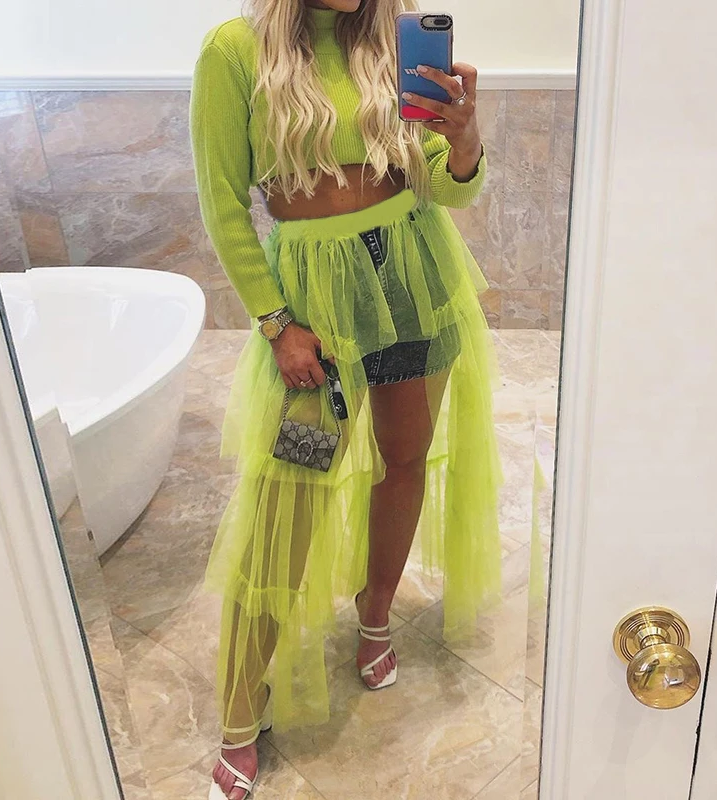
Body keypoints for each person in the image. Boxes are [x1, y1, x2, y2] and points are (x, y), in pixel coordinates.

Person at [190, 1, 504, 796]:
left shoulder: (394, 39)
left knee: (405, 458)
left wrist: (466, 144)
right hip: (313, 306)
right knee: (287, 495)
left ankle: (375, 612)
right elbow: (222, 203)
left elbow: (451, 189)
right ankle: (241, 707)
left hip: (412, 278)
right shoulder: (235, 50)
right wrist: (276, 322)